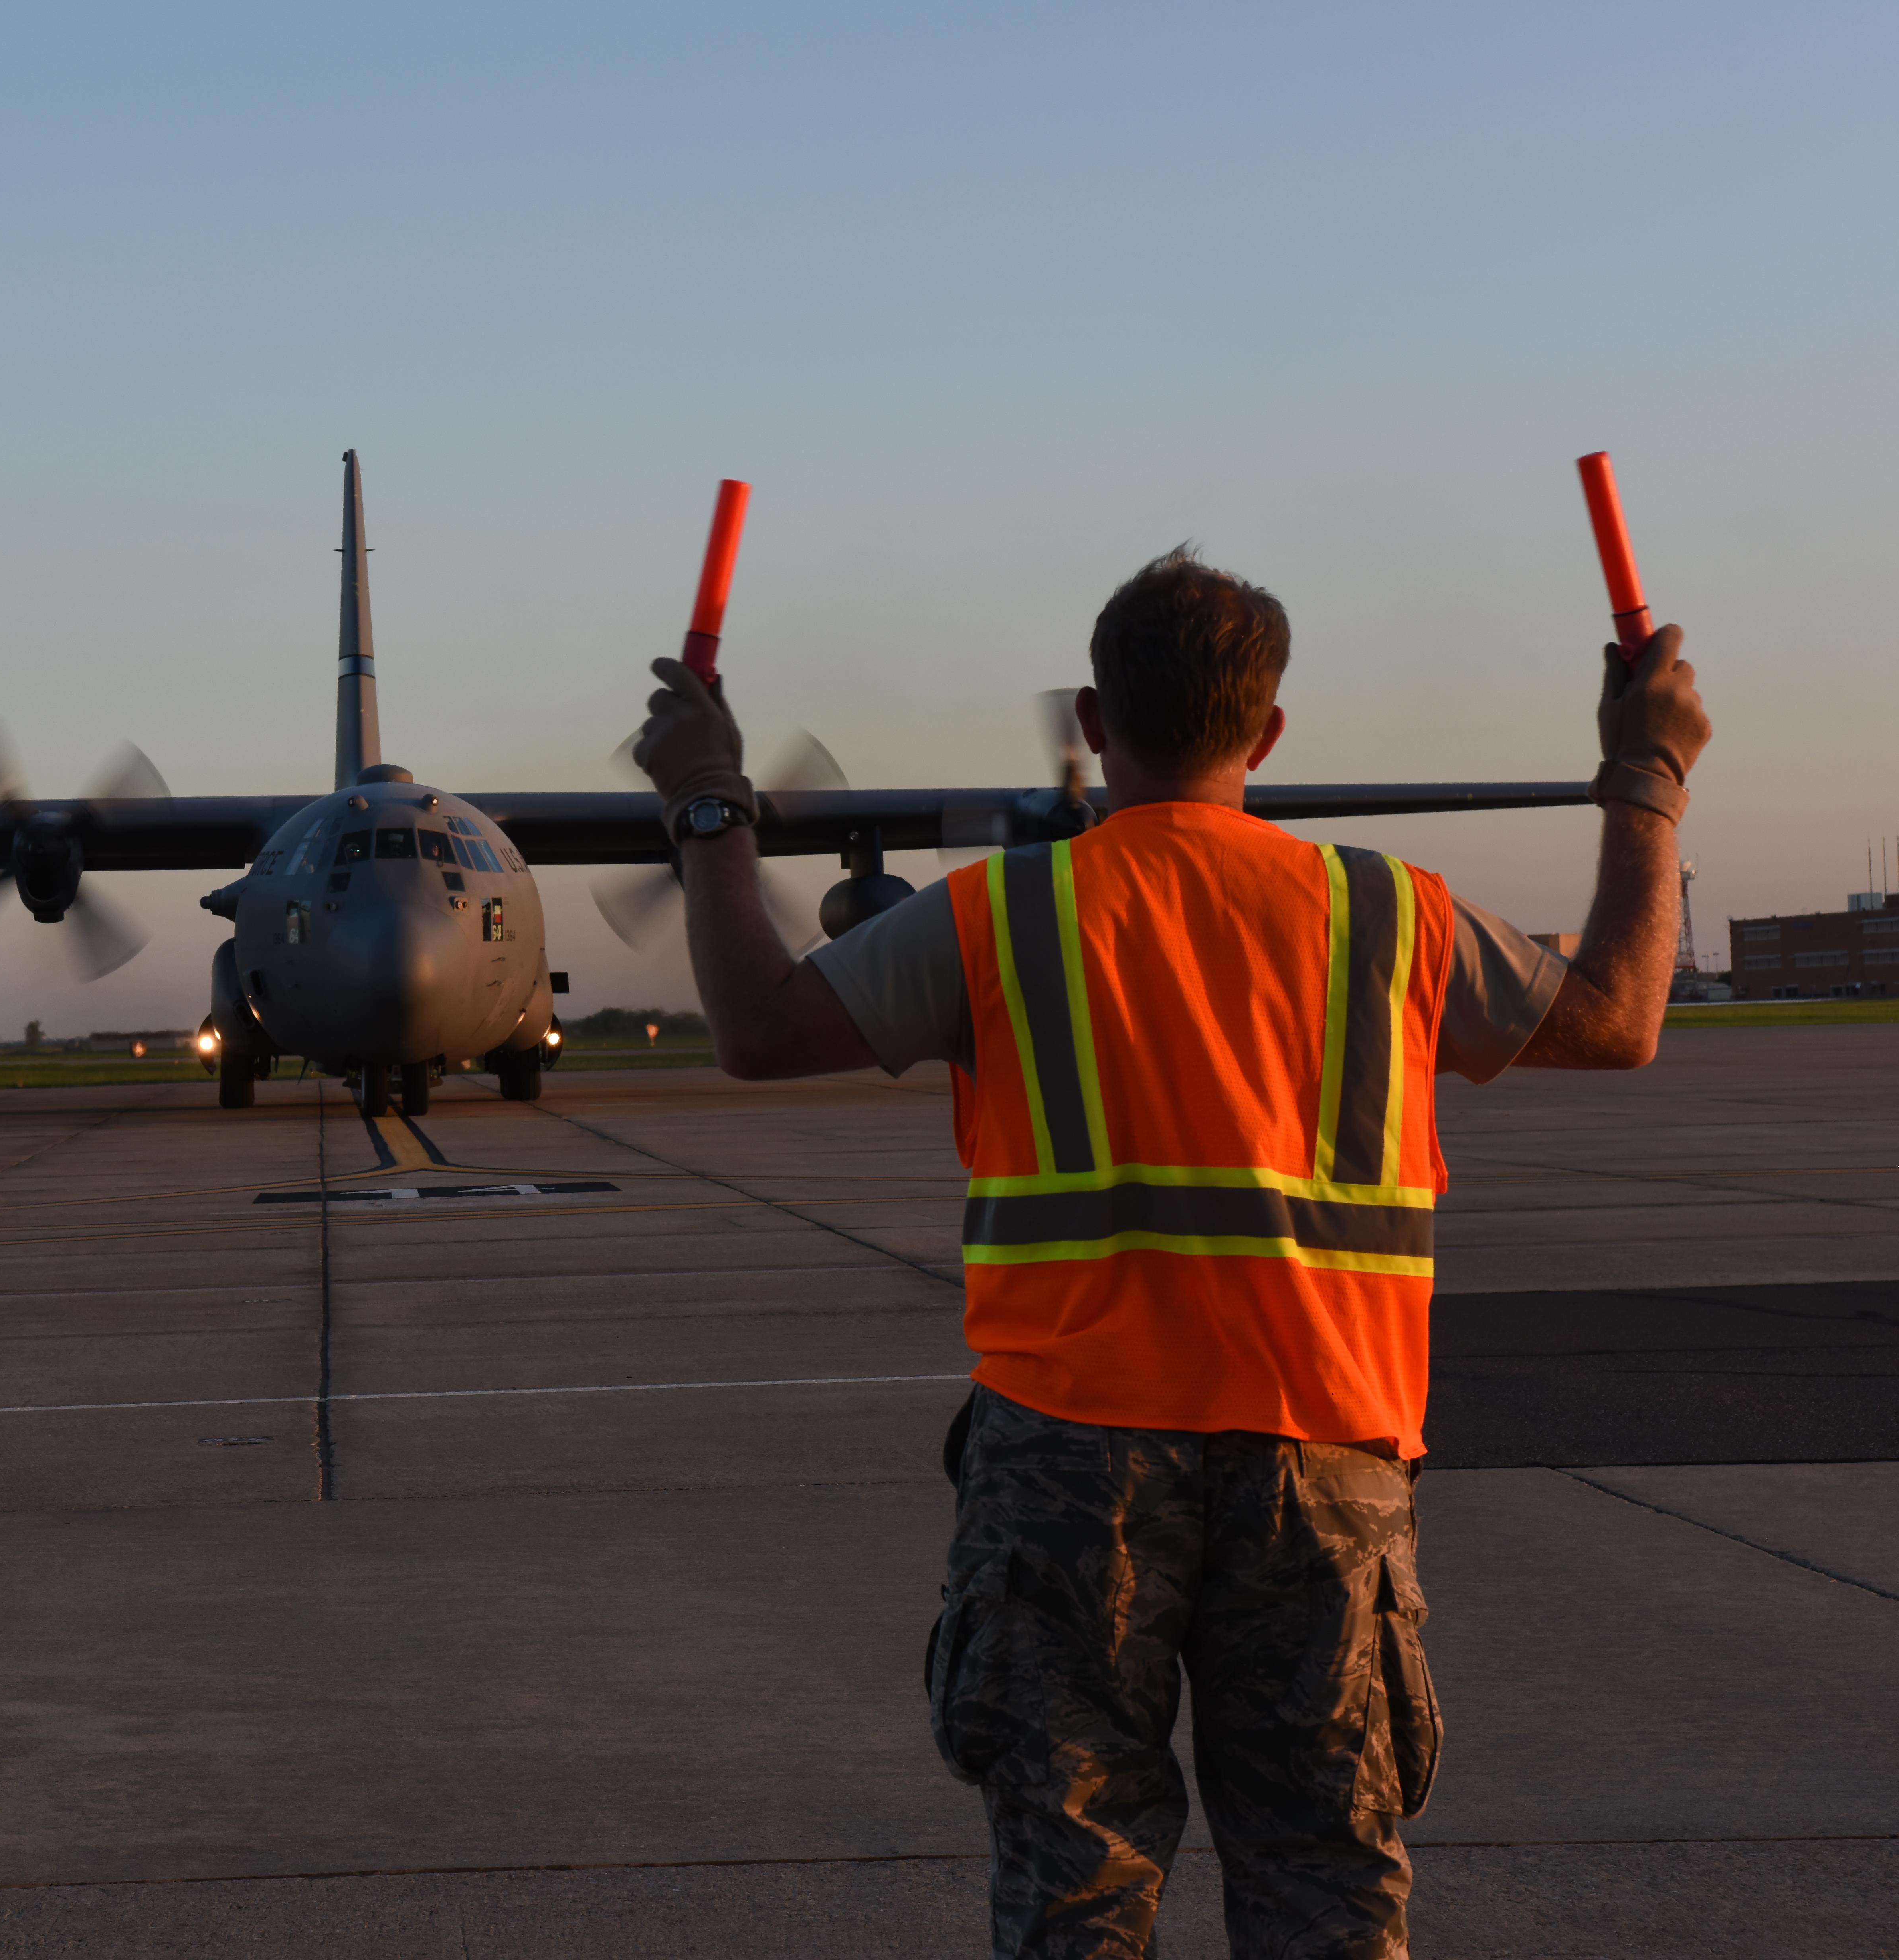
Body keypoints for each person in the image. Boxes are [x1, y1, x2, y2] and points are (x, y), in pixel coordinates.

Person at [629, 549, 1709, 1959]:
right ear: (1266, 734)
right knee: (1328, 1875)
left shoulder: (1002, 913)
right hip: (1325, 1461)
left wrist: (709, 805)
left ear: (1092, 718)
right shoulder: (1391, 915)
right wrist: (1649, 776)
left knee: (1075, 1883)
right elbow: (1624, 1012)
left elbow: (758, 1031)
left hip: (1070, 1462)